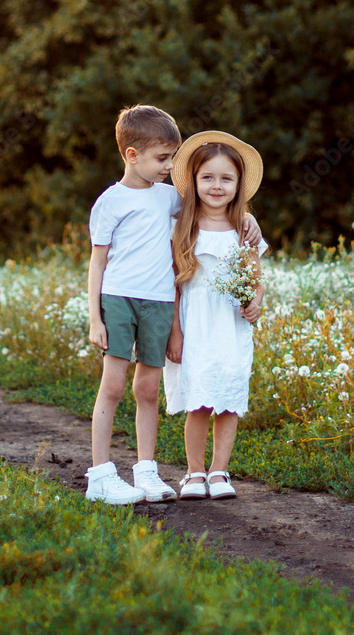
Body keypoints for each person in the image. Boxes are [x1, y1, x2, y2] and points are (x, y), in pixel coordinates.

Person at [86, 107, 262, 505]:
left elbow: (216, 211)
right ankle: (101, 474)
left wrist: (249, 220)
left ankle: (146, 471)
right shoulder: (110, 202)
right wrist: (95, 317)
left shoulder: (170, 198)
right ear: (133, 155)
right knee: (113, 385)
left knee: (147, 388)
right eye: (164, 158)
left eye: (173, 157)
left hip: (161, 303)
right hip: (119, 298)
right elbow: (97, 261)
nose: (170, 166)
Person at [163, 131, 268, 500]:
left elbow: (256, 278)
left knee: (227, 397)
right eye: (208, 177)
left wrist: (255, 302)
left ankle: (219, 471)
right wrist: (175, 333)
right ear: (194, 181)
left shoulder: (243, 229)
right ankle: (194, 473)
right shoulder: (182, 226)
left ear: (239, 184)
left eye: (226, 178)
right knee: (199, 399)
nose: (217, 186)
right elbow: (174, 287)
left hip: (230, 323)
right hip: (194, 323)